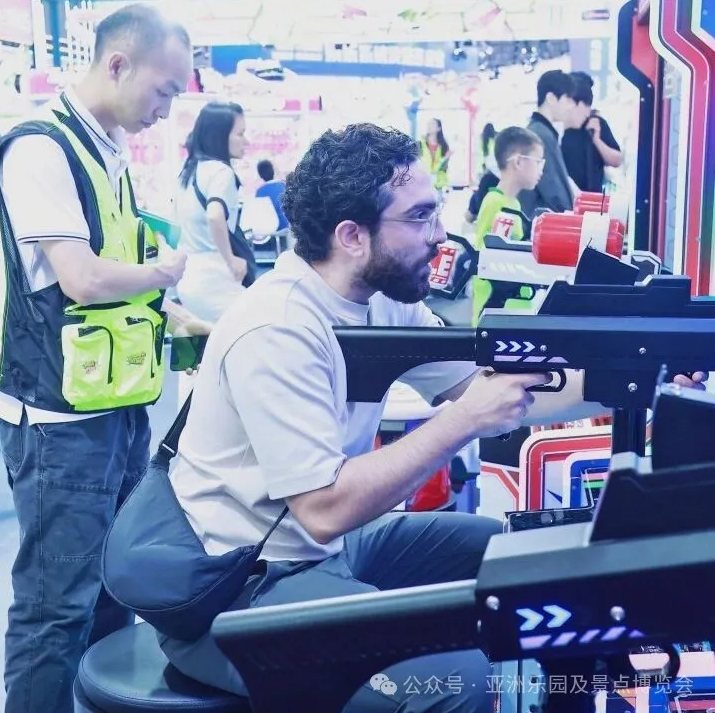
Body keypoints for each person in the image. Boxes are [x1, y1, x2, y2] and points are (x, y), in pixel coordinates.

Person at [153, 122, 693, 711]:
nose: (440, 235)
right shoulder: (278, 327)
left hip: (321, 551)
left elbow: (491, 389)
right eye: (420, 217)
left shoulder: (382, 299)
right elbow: (324, 508)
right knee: (459, 684)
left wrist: (645, 377)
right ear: (352, 236)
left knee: (521, 558)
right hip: (237, 589)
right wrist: (463, 422)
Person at [0, 5, 207, 712]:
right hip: (59, 425)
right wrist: (163, 274)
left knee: (117, 585)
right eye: (164, 90)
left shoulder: (107, 150)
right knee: (55, 605)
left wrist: (174, 315)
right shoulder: (41, 150)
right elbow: (82, 279)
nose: (166, 109)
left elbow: (108, 287)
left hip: (116, 407)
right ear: (117, 64)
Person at [175, 100, 252, 324]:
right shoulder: (221, 172)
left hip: (188, 276)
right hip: (215, 277)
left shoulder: (189, 171)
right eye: (240, 134)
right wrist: (231, 260)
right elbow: (215, 215)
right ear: (220, 136)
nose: (246, 141)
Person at [470, 126, 544, 323]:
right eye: (538, 161)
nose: (541, 170)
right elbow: (491, 260)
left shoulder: (512, 204)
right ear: (518, 162)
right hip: (496, 312)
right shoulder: (496, 203)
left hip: (511, 310)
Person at [519, 69, 577, 218]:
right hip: (542, 220)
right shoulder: (542, 135)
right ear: (551, 98)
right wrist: (570, 215)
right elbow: (554, 190)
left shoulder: (537, 131)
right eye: (568, 98)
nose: (571, 105)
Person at [561, 72, 623, 193]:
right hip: (564, 196)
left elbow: (617, 160)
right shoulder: (556, 128)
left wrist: (597, 140)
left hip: (592, 195)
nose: (586, 113)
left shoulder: (595, 124)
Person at [255, 158, 289, 231]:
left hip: (272, 230)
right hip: (288, 226)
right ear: (273, 171)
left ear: (260, 175)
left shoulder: (259, 192)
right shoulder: (283, 186)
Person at [420, 117, 452, 195]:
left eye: (432, 124)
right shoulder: (420, 144)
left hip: (439, 185)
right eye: (428, 124)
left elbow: (443, 168)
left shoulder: (444, 146)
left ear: (439, 128)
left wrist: (445, 159)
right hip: (423, 183)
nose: (429, 125)